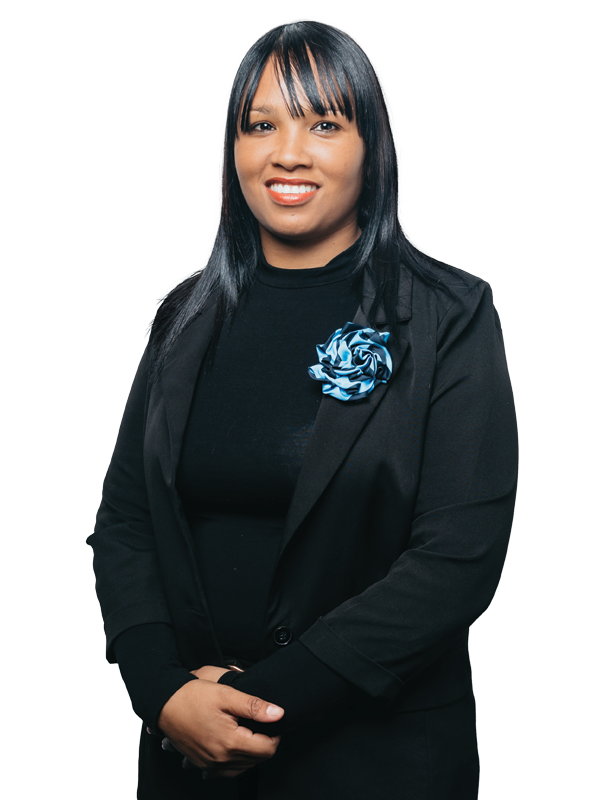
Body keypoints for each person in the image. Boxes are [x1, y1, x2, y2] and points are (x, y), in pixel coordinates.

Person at [86, 17, 518, 800]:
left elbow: (457, 559)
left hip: (377, 763)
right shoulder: (185, 314)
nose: (288, 152)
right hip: (190, 752)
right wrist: (162, 692)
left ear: (370, 148)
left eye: (323, 124)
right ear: (235, 149)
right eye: (260, 125)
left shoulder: (448, 315)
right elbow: (125, 520)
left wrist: (258, 702)